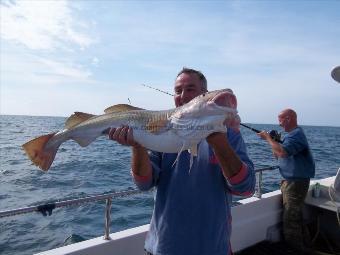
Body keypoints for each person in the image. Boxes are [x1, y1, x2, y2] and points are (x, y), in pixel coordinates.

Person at [108, 68, 255, 255]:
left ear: (204, 94)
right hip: (163, 247)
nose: (183, 95)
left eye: (190, 89)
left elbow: (246, 189)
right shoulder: (160, 131)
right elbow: (144, 183)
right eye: (178, 90)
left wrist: (218, 142)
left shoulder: (229, 134)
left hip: (212, 248)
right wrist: (138, 147)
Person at [257, 109, 315, 252]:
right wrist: (275, 141)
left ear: (289, 118)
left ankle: (296, 249)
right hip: (290, 182)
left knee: (291, 220)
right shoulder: (293, 135)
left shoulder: (296, 135)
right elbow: (279, 155)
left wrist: (268, 139)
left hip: (295, 183)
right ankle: (306, 245)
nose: (279, 123)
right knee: (296, 216)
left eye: (281, 119)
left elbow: (282, 152)